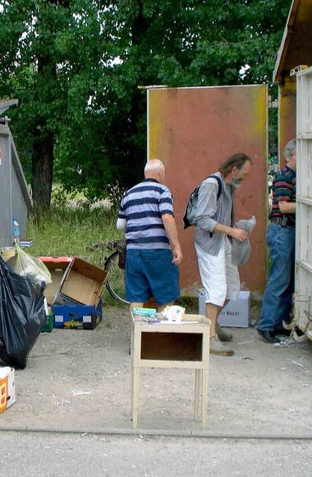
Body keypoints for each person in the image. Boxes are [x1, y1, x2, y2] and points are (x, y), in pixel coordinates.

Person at [194, 153, 253, 356]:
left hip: (223, 241)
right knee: (217, 288)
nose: (244, 179)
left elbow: (223, 217)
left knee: (232, 286)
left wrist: (237, 229)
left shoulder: (229, 186)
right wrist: (232, 231)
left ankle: (213, 324)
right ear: (233, 170)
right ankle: (209, 339)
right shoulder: (212, 185)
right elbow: (202, 219)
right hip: (209, 244)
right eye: (244, 175)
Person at [116, 159, 183, 313]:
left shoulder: (129, 193)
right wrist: (177, 246)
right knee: (166, 296)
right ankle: (160, 334)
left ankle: (137, 334)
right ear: (160, 173)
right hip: (157, 252)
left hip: (133, 253)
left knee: (137, 297)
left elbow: (120, 225)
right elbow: (167, 217)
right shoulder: (162, 191)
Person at [256, 140, 297, 344]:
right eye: (299, 154)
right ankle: (265, 325)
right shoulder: (284, 177)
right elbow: (284, 207)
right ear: (289, 157)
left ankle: (277, 322)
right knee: (279, 279)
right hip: (282, 230)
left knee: (287, 281)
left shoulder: (296, 177)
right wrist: (305, 204)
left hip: (286, 230)